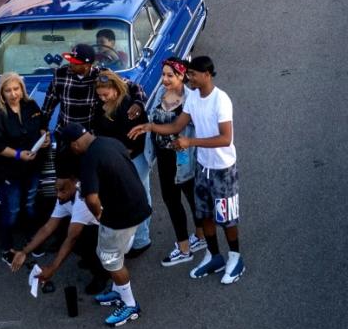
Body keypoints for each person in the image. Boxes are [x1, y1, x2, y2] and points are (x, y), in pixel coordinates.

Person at [131, 55, 242, 285]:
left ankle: (235, 257)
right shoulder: (193, 100)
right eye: (188, 74)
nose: (189, 77)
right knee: (204, 214)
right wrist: (150, 126)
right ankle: (214, 255)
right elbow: (176, 126)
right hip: (203, 167)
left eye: (193, 74)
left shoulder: (221, 100)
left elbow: (225, 138)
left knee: (227, 218)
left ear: (207, 75)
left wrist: (191, 143)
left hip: (223, 168)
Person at [61, 123, 152, 327]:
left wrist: (99, 215)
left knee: (111, 261)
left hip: (121, 215)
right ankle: (118, 292)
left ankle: (129, 305)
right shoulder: (109, 142)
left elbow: (92, 199)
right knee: (106, 253)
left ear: (75, 145)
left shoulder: (88, 160)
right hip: (138, 204)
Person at [128, 58, 206, 267]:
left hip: (185, 158)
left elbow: (179, 127)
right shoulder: (161, 95)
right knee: (171, 200)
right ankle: (185, 246)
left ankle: (198, 238)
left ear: (182, 76)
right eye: (163, 75)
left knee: (191, 198)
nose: (165, 79)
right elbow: (150, 115)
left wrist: (150, 127)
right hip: (164, 157)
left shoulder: (191, 99)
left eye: (170, 75)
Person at [10, 163, 105, 295]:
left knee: (80, 237)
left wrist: (52, 268)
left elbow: (72, 239)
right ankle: (92, 258)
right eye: (56, 190)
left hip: (111, 234)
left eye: (63, 190)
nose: (58, 195)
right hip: (93, 229)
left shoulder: (82, 199)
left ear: (75, 184)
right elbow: (48, 227)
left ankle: (102, 273)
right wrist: (25, 251)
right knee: (63, 231)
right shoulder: (64, 198)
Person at [0, 72, 48, 262]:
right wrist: (19, 155)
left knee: (29, 206)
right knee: (11, 211)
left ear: (22, 88)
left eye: (16, 88)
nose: (13, 94)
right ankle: (6, 248)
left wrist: (45, 136)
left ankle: (31, 241)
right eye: (8, 90)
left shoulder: (31, 106)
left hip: (32, 168)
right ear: (1, 93)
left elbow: (42, 123)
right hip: (9, 171)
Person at [94, 71, 151, 256]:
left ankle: (142, 240)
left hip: (133, 160)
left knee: (140, 196)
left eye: (106, 94)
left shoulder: (129, 108)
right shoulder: (101, 105)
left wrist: (114, 156)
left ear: (116, 90)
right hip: (116, 159)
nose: (102, 98)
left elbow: (134, 139)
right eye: (99, 94)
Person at [41, 42, 100, 131]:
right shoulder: (60, 74)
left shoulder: (100, 75)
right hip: (64, 133)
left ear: (87, 66)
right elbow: (48, 106)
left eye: (75, 63)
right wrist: (43, 128)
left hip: (90, 135)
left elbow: (125, 85)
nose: (71, 64)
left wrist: (130, 107)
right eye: (71, 61)